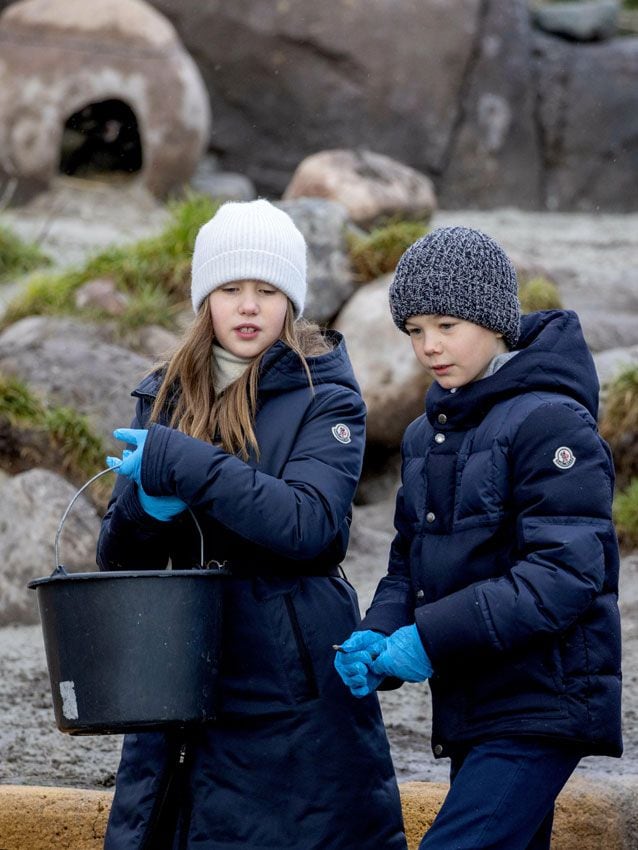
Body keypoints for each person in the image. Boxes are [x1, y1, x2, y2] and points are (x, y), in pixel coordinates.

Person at [97, 199, 407, 850]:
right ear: (204, 299)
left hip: (290, 688)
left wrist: (187, 464)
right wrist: (143, 514)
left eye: (266, 290)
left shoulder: (328, 395)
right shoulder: (162, 394)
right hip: (179, 670)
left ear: (290, 302)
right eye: (230, 288)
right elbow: (118, 560)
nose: (247, 306)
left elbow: (310, 525)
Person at [334, 226, 622, 850]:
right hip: (475, 701)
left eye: (445, 325)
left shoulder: (552, 421)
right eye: (413, 330)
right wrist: (379, 635)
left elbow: (565, 576)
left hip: (545, 698)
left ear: (493, 320)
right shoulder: (424, 436)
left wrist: (430, 639)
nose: (429, 347)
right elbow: (409, 562)